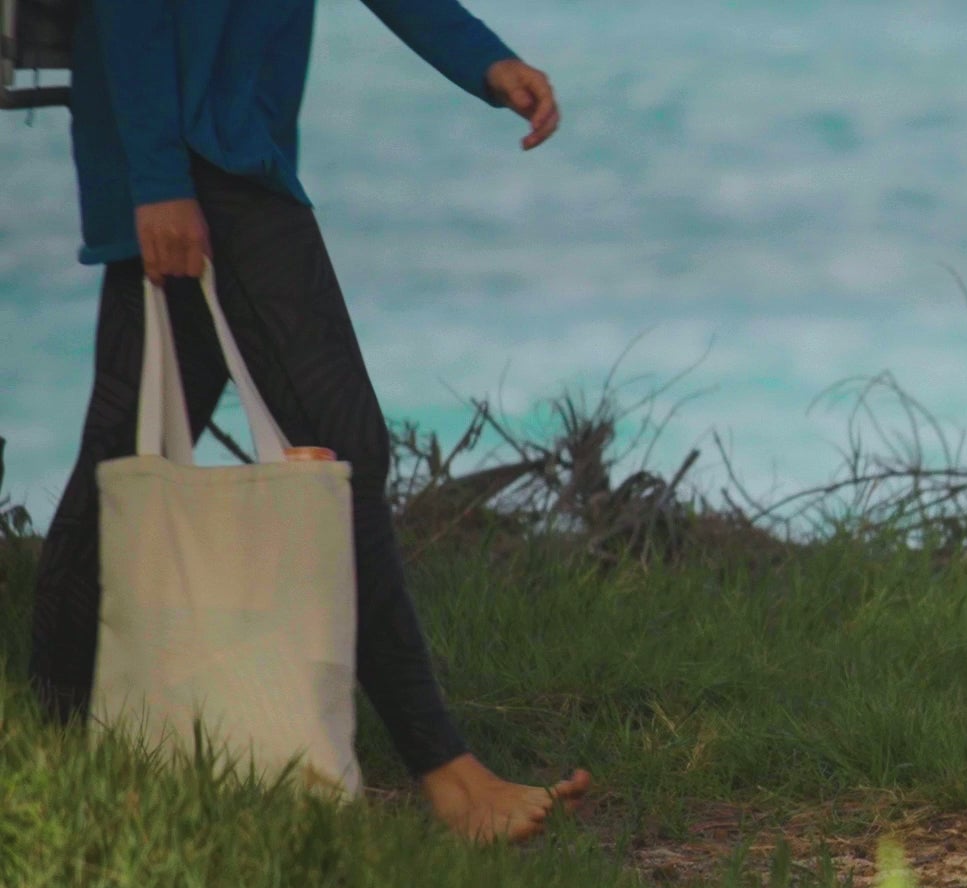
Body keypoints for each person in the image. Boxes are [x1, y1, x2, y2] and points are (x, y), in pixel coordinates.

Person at [27, 0, 591, 841]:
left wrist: (481, 58)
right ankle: (452, 779)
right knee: (342, 450)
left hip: (213, 143)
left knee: (121, 460)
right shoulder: (184, 158)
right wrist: (158, 178)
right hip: (198, 154)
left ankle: (55, 747)